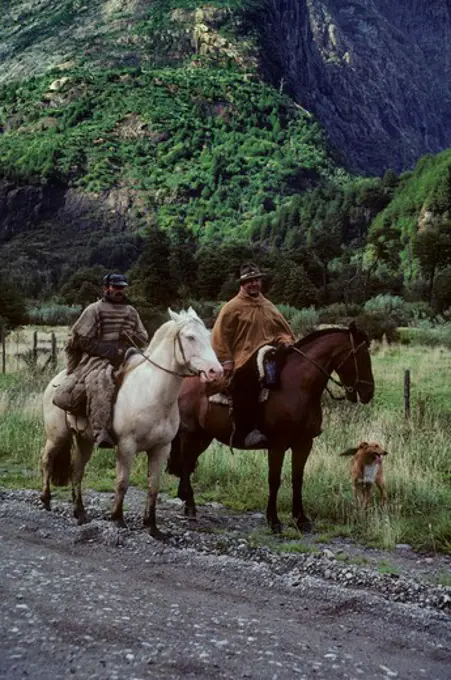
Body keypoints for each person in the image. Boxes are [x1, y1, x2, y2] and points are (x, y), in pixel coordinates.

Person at [54, 273, 148, 448]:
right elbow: (81, 339)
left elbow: (143, 336)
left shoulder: (131, 311)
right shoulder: (94, 309)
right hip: (97, 359)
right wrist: (110, 350)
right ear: (106, 288)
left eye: (122, 287)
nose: (119, 291)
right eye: (115, 287)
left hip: (128, 355)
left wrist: (132, 335)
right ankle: (100, 431)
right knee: (101, 381)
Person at [211, 262, 294, 447]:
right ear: (242, 284)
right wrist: (226, 360)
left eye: (256, 280)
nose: (253, 284)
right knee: (244, 380)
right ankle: (245, 431)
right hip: (244, 358)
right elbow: (220, 335)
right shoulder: (232, 307)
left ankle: (296, 423)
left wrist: (284, 340)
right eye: (249, 281)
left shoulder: (267, 305)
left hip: (269, 353)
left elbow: (281, 329)